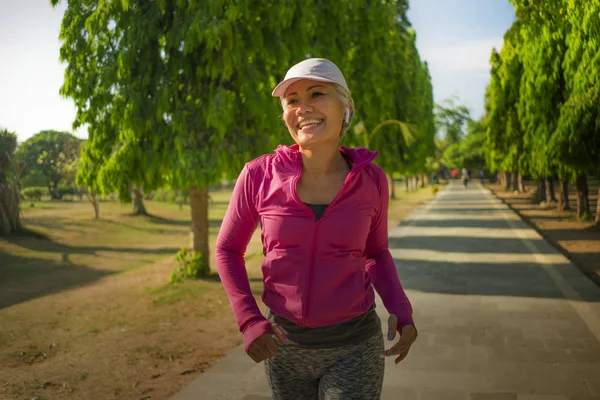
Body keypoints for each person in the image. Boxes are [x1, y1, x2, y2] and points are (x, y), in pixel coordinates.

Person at [215, 58, 417, 400]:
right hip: (284, 346)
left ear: (346, 107)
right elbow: (227, 250)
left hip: (355, 345)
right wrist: (249, 321)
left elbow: (376, 252)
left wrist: (401, 308)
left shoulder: (372, 180)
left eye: (317, 94)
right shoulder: (258, 175)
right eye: (292, 101)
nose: (303, 108)